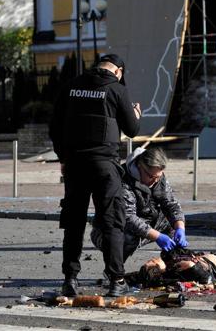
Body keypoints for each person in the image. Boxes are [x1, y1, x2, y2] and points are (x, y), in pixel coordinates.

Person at [49, 54, 140, 297]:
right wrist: (136, 114)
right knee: (112, 222)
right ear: (118, 71)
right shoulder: (117, 89)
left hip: (75, 165)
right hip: (104, 166)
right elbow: (132, 130)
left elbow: (55, 126)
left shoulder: (71, 86)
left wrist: (63, 158)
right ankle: (116, 280)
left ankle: (70, 279)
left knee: (74, 223)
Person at [91, 146, 188, 263]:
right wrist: (157, 236)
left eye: (158, 177)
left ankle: (173, 264)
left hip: (147, 221)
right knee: (129, 236)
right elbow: (128, 218)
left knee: (173, 224)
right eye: (151, 177)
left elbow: (171, 204)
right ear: (139, 166)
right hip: (109, 231)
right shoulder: (122, 181)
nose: (155, 181)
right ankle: (115, 271)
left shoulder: (157, 177)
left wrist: (180, 228)